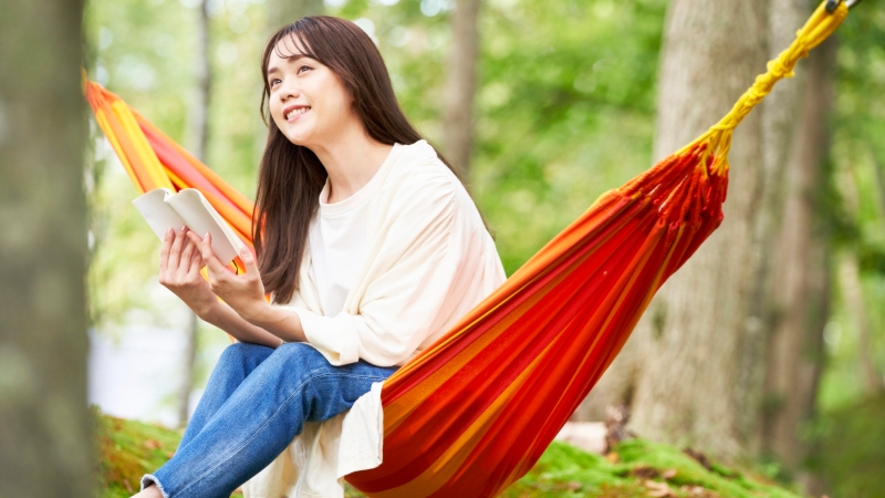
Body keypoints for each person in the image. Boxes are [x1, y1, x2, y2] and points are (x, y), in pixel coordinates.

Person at [132, 15, 506, 498]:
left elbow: (384, 342)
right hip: (352, 376)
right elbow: (304, 339)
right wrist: (209, 305)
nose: (284, 89)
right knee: (241, 359)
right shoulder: (309, 207)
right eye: (274, 81)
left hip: (437, 394)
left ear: (353, 79)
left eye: (303, 69)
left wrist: (262, 310)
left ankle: (160, 496)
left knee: (298, 365)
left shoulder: (422, 186)